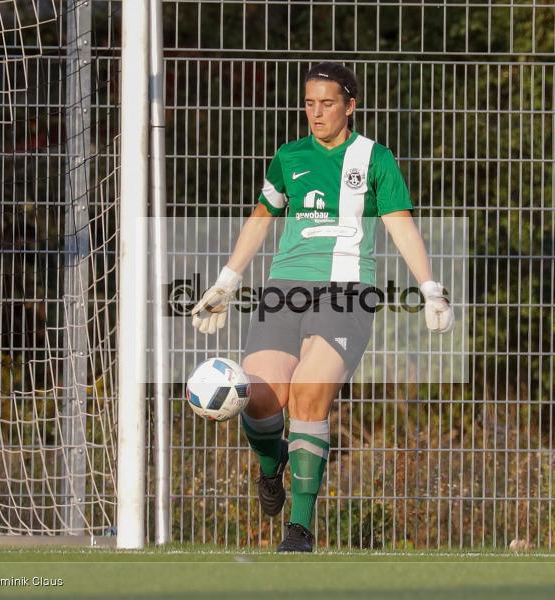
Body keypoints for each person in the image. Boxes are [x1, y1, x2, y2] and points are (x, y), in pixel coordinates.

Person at [190, 62, 454, 552]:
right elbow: (260, 217)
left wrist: (430, 287)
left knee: (310, 395)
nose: (316, 113)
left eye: (327, 103)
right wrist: (227, 282)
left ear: (350, 106)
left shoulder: (375, 158)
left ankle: (300, 527)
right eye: (310, 103)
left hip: (348, 291)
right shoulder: (289, 157)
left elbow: (400, 224)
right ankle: (272, 466)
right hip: (284, 289)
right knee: (262, 396)